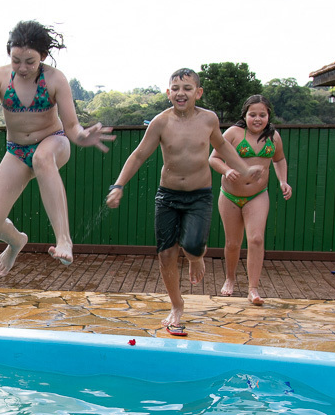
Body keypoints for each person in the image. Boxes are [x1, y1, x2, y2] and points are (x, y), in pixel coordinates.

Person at [106, 68, 263, 336]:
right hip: (167, 196)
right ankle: (177, 306)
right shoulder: (160, 122)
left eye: (187, 88)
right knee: (165, 253)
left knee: (192, 245)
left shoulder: (208, 120)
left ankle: (194, 256)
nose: (181, 93)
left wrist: (245, 170)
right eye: (175, 88)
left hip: (199, 195)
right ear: (168, 93)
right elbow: (138, 155)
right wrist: (119, 185)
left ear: (198, 93)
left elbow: (224, 148)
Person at [0, 20, 114, 276]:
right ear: (9, 54)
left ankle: (64, 240)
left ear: (43, 57)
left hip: (54, 141)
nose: (23, 68)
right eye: (16, 60)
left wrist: (83, 136)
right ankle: (16, 241)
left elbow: (72, 127)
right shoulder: (0, 77)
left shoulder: (55, 79)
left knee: (42, 158)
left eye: (30, 61)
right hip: (16, 150)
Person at [209, 95, 292, 306]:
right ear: (244, 115)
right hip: (229, 195)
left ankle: (253, 288)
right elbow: (214, 158)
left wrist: (283, 181)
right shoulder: (234, 134)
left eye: (262, 115)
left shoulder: (273, 137)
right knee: (233, 242)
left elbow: (279, 159)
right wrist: (227, 171)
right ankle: (230, 278)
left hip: (257, 195)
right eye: (252, 114)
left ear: (268, 116)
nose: (257, 119)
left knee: (256, 238)